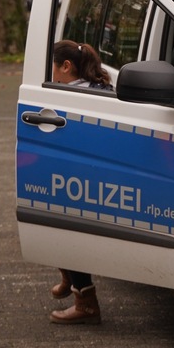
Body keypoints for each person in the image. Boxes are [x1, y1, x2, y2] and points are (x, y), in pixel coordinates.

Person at [47, 40, 112, 325]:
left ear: (66, 66)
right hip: (90, 173)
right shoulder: (99, 89)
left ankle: (85, 300)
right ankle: (68, 276)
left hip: (84, 178)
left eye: (52, 66)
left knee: (66, 230)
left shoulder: (70, 98)